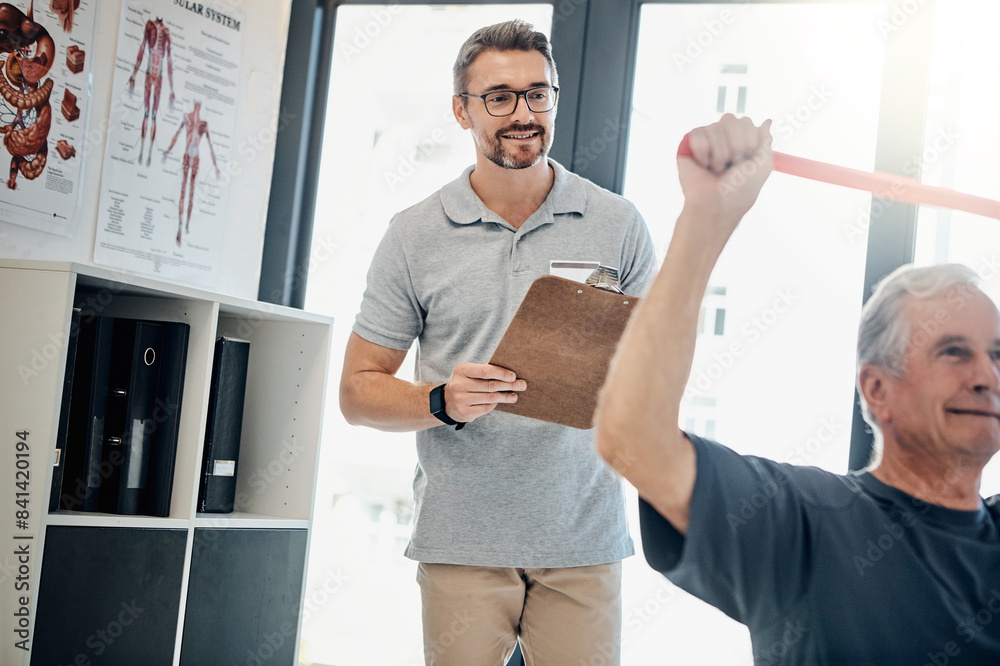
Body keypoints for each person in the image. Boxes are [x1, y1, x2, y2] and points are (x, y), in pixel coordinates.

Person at [594, 113, 1000, 664]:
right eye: (953, 351)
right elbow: (633, 436)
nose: (985, 376)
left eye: (997, 355)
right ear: (877, 390)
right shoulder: (804, 520)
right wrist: (707, 217)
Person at [340, 19, 657, 666]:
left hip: (584, 540)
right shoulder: (414, 235)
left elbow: (658, 366)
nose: (523, 113)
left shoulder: (618, 224)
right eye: (500, 96)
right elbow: (357, 392)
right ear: (462, 111)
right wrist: (440, 401)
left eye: (539, 94)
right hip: (461, 539)